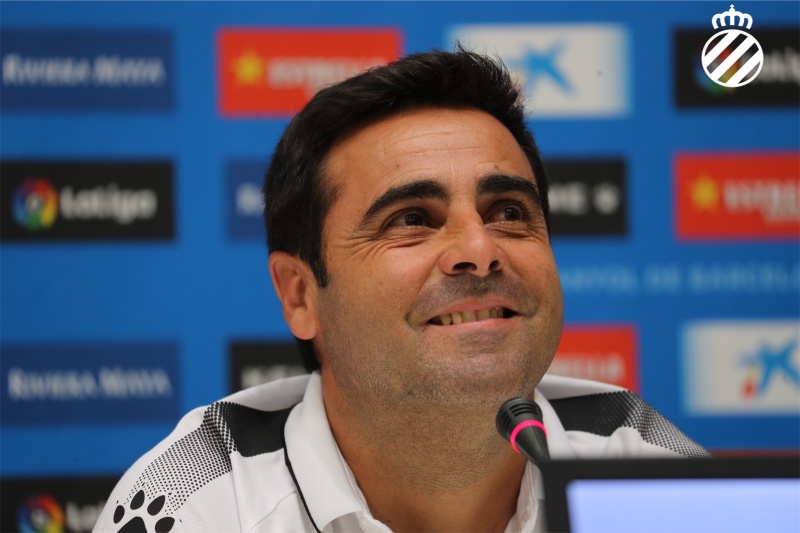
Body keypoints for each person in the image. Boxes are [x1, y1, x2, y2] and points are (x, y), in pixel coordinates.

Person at [94, 48, 707, 533]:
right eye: (411, 219)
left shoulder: (656, 482)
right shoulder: (195, 507)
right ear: (300, 295)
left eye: (508, 212)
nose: (480, 249)